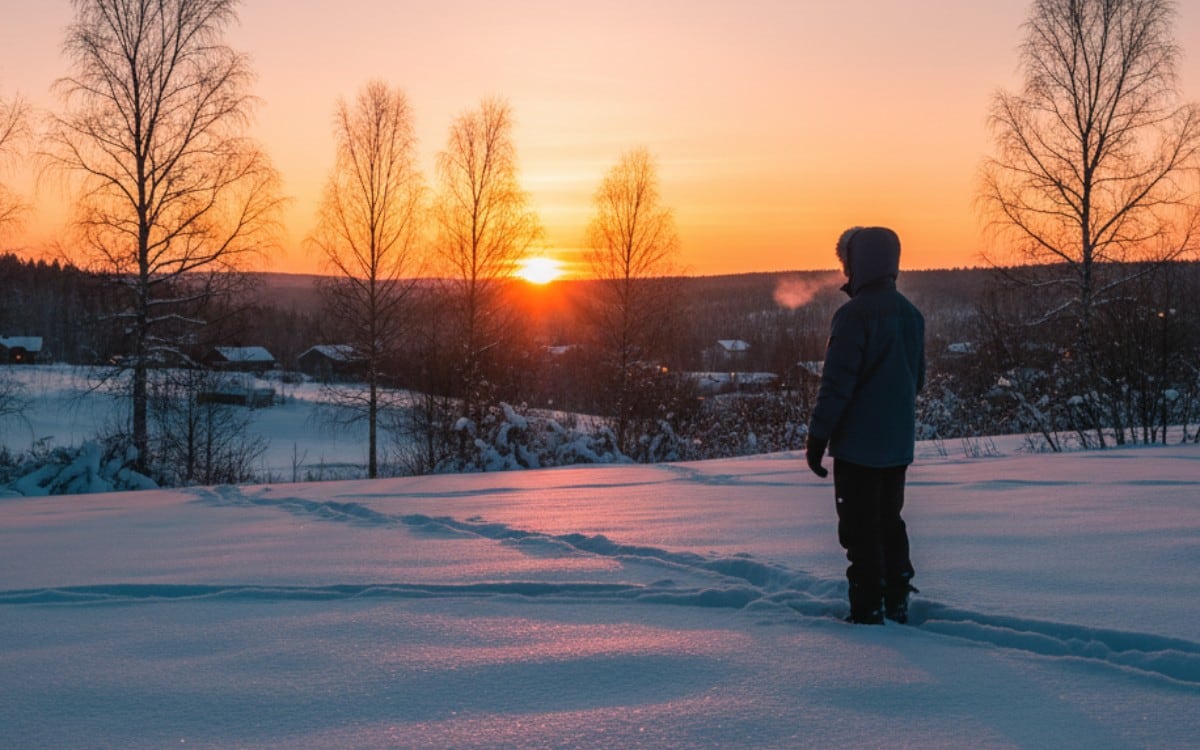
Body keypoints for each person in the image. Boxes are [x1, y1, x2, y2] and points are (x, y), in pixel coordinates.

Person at [805, 226, 925, 624]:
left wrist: (818, 436)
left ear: (856, 265)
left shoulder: (853, 315)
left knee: (859, 528)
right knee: (889, 522)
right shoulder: (911, 315)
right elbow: (917, 381)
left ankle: (868, 607)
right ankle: (897, 596)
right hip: (897, 446)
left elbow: (837, 384)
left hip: (858, 448)